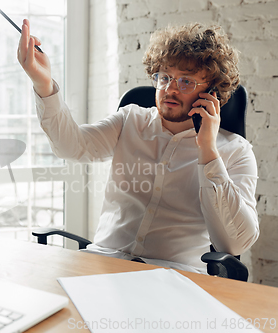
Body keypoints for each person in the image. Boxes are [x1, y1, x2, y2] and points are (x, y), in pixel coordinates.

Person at [17, 20, 259, 273]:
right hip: (104, 262)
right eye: (164, 78)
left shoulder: (235, 151)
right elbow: (71, 147)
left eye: (185, 82)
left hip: (173, 274)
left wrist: (208, 151)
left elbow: (235, 243)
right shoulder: (131, 119)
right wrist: (43, 83)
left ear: (212, 93)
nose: (169, 90)